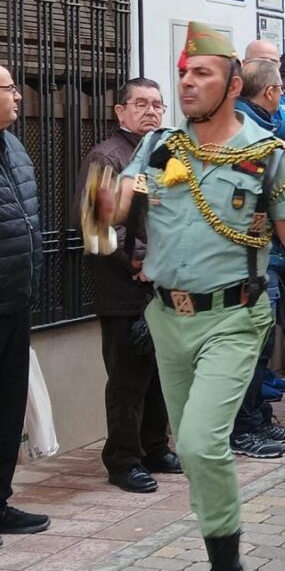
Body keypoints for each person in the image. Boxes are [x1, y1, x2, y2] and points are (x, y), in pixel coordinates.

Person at [95, 24, 285, 571]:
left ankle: (226, 564)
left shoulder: (271, 157)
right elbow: (126, 198)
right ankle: (221, 546)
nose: (187, 83)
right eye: (185, 73)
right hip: (167, 320)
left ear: (233, 85)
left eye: (202, 74)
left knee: (197, 441)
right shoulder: (159, 146)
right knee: (198, 455)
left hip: (234, 318)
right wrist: (106, 204)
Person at [75, 78, 181, 493]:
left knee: (159, 374)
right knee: (127, 381)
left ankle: (156, 447)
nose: (151, 111)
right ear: (120, 111)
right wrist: (137, 261)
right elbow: (94, 224)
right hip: (124, 289)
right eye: (141, 104)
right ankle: (123, 459)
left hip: (162, 287)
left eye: (157, 104)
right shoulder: (107, 156)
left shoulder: (163, 154)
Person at [230, 59, 285, 458]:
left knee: (258, 349)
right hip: (251, 264)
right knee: (247, 353)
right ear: (271, 92)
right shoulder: (249, 136)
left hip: (264, 262)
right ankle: (244, 427)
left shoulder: (262, 133)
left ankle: (256, 418)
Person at [0, 64, 50, 539]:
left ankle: (1, 502)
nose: (18, 96)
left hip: (16, 298)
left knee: (8, 409)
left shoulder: (13, 146)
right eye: (10, 88)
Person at [244, 41, 285, 141]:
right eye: (262, 61)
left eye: (273, 62)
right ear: (244, 63)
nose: (268, 67)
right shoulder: (235, 99)